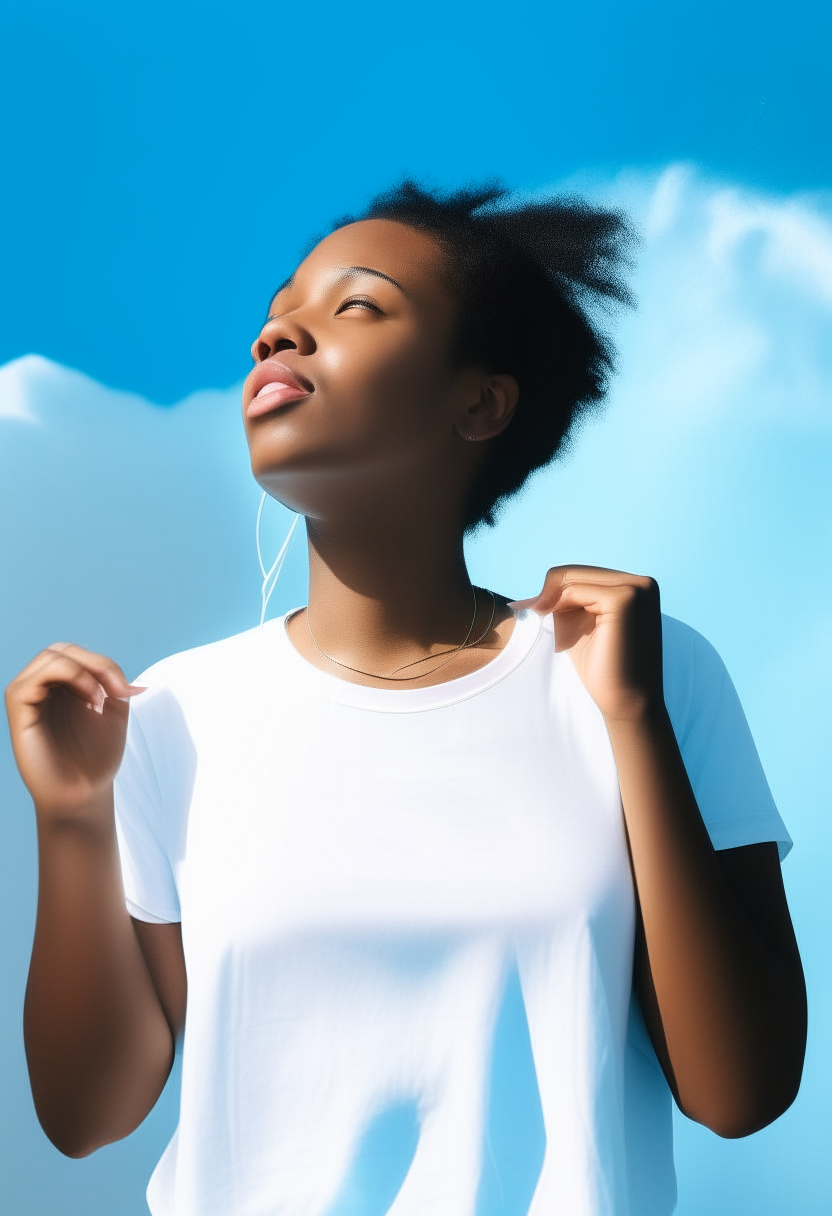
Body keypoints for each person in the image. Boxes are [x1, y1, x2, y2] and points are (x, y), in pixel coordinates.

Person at [5, 182, 806, 1216]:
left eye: (356, 306)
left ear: (480, 402)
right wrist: (71, 818)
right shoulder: (171, 713)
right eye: (277, 309)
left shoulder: (639, 671)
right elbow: (89, 1116)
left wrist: (634, 723)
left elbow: (738, 1092)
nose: (275, 333)